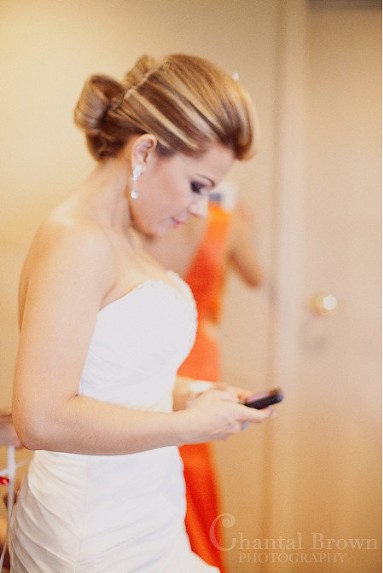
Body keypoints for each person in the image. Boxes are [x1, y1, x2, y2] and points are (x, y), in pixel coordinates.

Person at [9, 53, 273, 572]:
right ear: (146, 151)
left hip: (143, 509)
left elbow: (108, 381)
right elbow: (41, 417)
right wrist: (189, 426)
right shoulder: (75, 240)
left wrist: (196, 393)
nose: (201, 208)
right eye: (198, 185)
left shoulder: (121, 238)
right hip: (91, 528)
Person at [144, 184, 263, 571]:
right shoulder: (227, 225)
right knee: (191, 462)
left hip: (156, 348)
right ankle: (195, 553)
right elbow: (255, 276)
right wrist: (248, 225)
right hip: (198, 353)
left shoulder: (152, 223)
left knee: (154, 453)